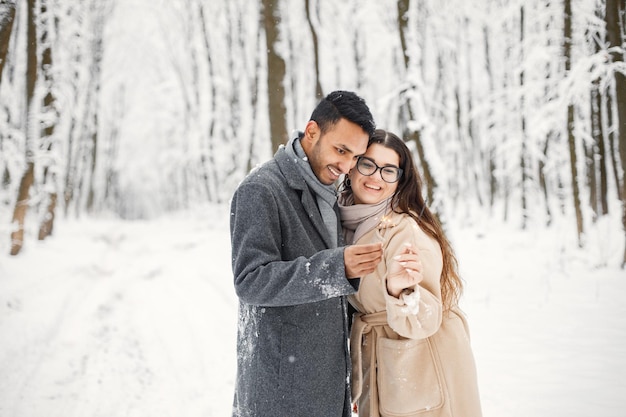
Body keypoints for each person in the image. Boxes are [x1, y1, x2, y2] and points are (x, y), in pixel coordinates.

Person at [230, 90, 384, 417]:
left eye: (355, 157)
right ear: (312, 131)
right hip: (281, 391)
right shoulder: (261, 189)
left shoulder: (332, 191)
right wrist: (335, 267)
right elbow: (250, 281)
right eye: (340, 150)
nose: (346, 166)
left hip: (327, 384)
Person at [338, 129, 482, 417]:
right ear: (352, 166)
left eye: (388, 170)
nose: (376, 177)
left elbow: (428, 318)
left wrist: (400, 291)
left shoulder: (405, 231)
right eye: (368, 164)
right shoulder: (342, 222)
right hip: (383, 357)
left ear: (399, 181)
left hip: (424, 362)